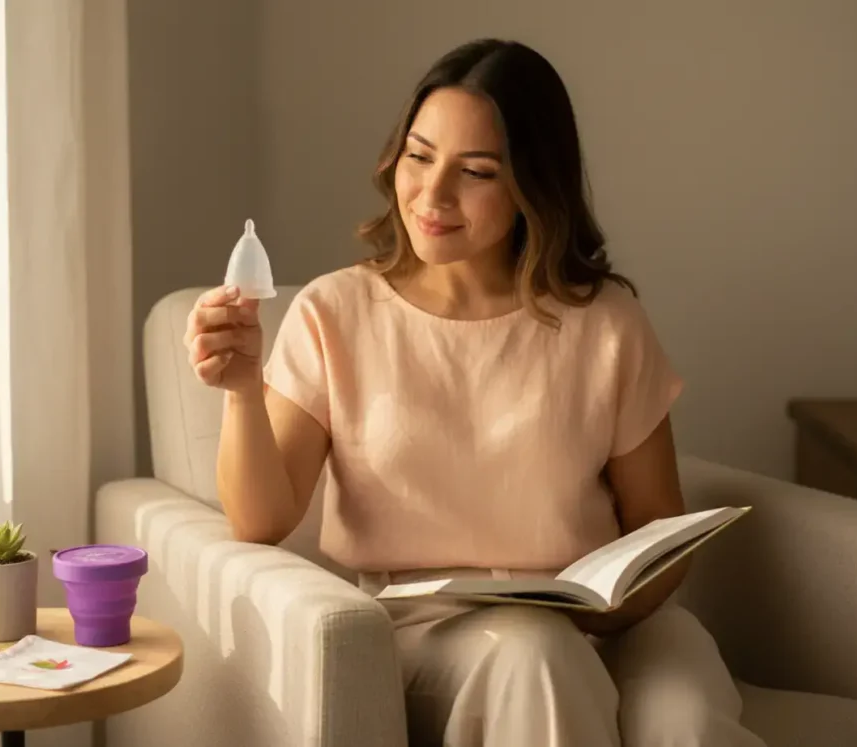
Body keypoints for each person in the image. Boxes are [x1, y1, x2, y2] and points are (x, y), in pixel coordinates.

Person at [185, 38, 766, 747]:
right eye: (420, 156)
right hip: (435, 634)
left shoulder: (606, 321)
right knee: (536, 655)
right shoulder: (334, 313)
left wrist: (611, 610)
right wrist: (242, 389)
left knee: (686, 720)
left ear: (532, 185)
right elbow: (259, 519)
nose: (433, 195)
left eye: (477, 172)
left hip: (608, 623)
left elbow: (657, 522)